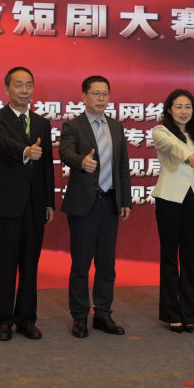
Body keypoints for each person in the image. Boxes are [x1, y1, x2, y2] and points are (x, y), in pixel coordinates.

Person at [0, 67, 55, 341]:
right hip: (6, 204)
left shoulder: (42, 123)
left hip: (35, 205)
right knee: (5, 265)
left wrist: (49, 202)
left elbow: (47, 165)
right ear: (7, 89)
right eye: (19, 85)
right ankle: (3, 320)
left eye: (29, 85)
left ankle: (26, 320)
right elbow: (2, 143)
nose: (25, 91)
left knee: (30, 266)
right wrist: (25, 151)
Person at [59, 75, 131, 338]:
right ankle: (79, 316)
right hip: (83, 205)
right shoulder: (72, 126)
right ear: (84, 96)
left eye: (105, 94)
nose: (101, 98)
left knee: (107, 263)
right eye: (96, 93)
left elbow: (122, 165)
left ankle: (103, 314)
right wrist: (81, 162)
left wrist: (125, 201)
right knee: (81, 263)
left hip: (110, 202)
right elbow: (65, 152)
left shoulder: (116, 127)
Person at [151, 89, 194, 333]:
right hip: (169, 199)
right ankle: (171, 313)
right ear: (169, 110)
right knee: (169, 256)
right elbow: (174, 146)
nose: (184, 112)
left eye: (188, 107)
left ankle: (189, 313)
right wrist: (190, 156)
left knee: (189, 257)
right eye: (179, 107)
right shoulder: (160, 131)